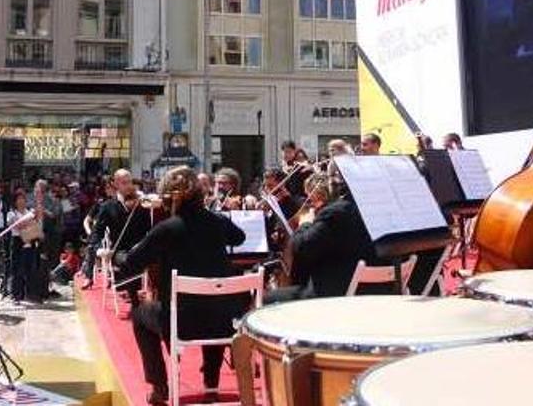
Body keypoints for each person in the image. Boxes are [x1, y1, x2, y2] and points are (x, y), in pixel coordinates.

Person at [115, 166, 247, 404]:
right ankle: (211, 381)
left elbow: (130, 265)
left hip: (181, 324)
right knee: (212, 303)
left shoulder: (167, 229)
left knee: (140, 315)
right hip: (224, 323)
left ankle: (159, 387)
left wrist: (117, 256)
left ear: (168, 198)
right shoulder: (217, 222)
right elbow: (239, 238)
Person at [271, 172, 377, 301]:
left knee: (268, 298)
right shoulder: (354, 209)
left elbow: (302, 247)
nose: (307, 202)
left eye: (309, 198)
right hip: (360, 286)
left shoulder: (332, 214)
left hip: (332, 293)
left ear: (319, 195)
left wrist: (305, 223)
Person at [85, 169, 152, 304]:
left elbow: (150, 229)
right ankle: (135, 298)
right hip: (120, 251)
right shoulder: (108, 206)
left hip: (140, 247)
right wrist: (99, 249)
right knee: (129, 259)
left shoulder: (141, 204)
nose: (128, 186)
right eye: (124, 183)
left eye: (130, 182)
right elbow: (97, 233)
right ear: (116, 184)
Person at [7, 191, 43, 303]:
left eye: (23, 199)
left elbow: (36, 224)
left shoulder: (29, 212)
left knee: (30, 268)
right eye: (19, 199)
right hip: (17, 241)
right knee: (17, 269)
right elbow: (17, 225)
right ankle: (16, 295)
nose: (21, 201)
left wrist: (32, 219)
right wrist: (29, 220)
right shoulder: (11, 213)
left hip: (30, 240)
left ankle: (30, 294)